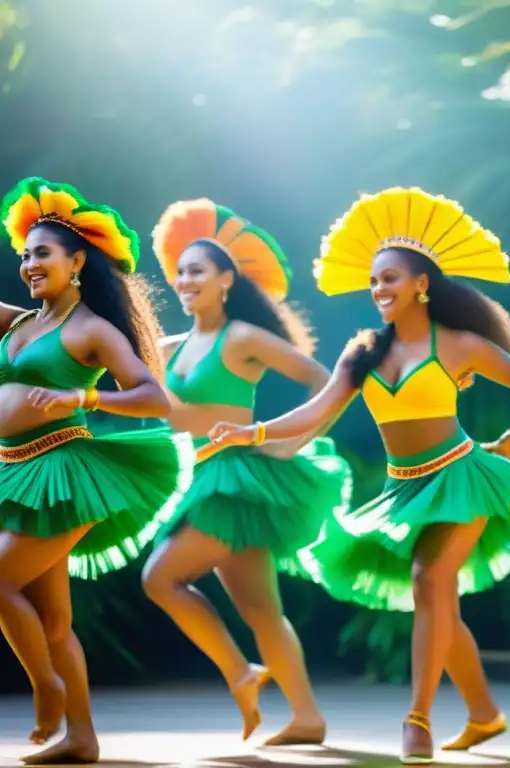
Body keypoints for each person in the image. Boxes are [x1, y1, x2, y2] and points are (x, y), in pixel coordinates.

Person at [202, 187, 510, 765]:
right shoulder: (363, 354)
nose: (379, 290)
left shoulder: (459, 345)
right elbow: (317, 411)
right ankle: (485, 713)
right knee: (434, 594)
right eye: (374, 281)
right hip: (401, 487)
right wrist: (251, 432)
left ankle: (418, 719)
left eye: (389, 279)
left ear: (421, 284)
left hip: (462, 475)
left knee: (430, 579)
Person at [140, 199, 352, 746]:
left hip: (235, 480)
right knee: (262, 610)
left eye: (198, 271)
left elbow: (323, 379)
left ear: (225, 281)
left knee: (160, 577)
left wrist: (294, 439)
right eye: (181, 270)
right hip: (202, 477)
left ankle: (241, 673)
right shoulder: (170, 346)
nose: (186, 280)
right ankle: (306, 718)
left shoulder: (241, 338)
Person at [0, 177, 186, 764]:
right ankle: (81, 735)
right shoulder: (17, 323)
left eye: (43, 253)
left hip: (67, 473)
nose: (30, 263)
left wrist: (85, 400)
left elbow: (155, 398)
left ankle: (48, 687)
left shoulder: (91, 330)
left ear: (77, 261)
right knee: (54, 619)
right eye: (26, 254)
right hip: (16, 472)